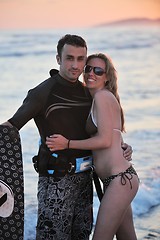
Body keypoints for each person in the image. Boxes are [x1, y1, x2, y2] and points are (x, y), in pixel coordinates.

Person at [1, 35, 132, 240]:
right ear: (58, 59)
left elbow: (103, 129)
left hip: (85, 181)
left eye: (81, 59)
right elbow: (11, 126)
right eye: (69, 58)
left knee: (81, 236)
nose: (76, 65)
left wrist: (120, 145)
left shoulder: (88, 92)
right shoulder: (42, 92)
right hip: (56, 183)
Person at [46, 53, 139, 240]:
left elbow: (104, 140)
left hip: (119, 180)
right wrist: (124, 146)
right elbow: (114, 137)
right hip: (120, 180)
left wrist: (67, 144)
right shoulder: (100, 98)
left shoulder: (102, 97)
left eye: (98, 71)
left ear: (107, 77)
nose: (91, 73)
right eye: (88, 68)